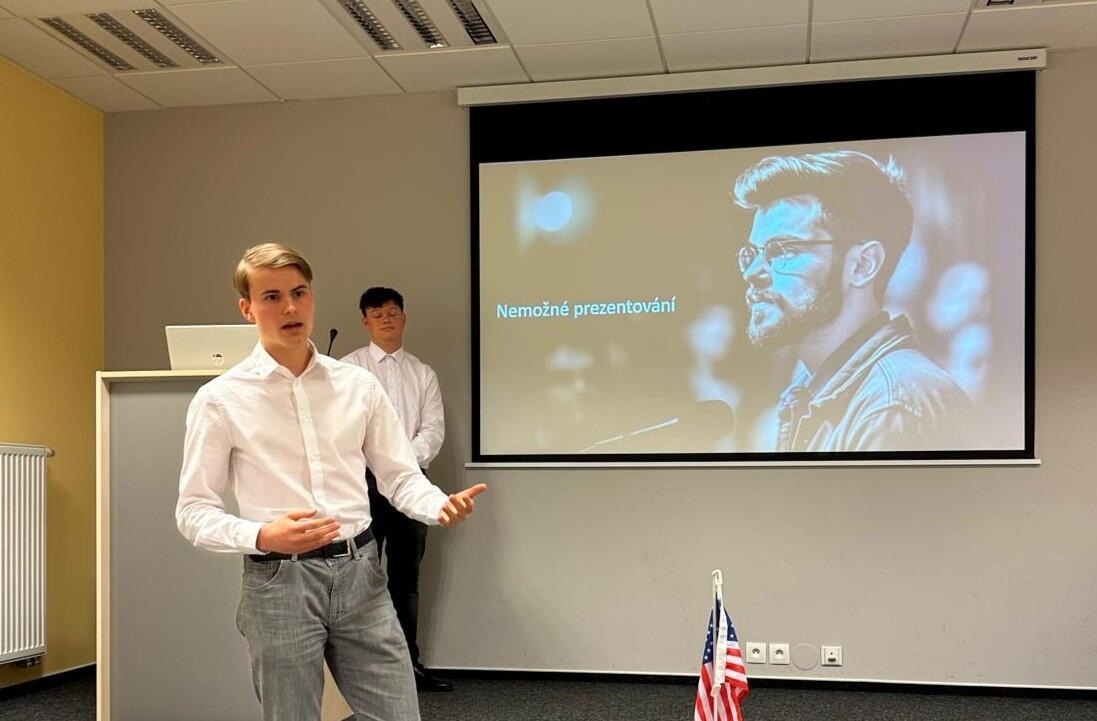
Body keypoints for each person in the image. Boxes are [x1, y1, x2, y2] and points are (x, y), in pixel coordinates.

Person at [176, 243, 486, 721]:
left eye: (299, 293)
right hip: (280, 581)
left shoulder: (357, 386)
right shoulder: (221, 399)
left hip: (361, 574)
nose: (290, 307)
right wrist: (261, 535)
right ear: (247, 309)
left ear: (313, 297)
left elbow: (400, 476)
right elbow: (193, 510)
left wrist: (437, 505)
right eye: (273, 297)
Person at [732, 151, 970, 452]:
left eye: (783, 250)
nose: (752, 273)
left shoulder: (893, 406)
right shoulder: (811, 392)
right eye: (751, 254)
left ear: (862, 265)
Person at [340, 287, 451, 692]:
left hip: (411, 484)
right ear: (365, 321)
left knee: (406, 580)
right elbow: (340, 429)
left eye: (392, 312)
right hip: (360, 485)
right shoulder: (347, 369)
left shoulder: (422, 373)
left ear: (404, 318)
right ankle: (361, 671)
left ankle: (408, 667)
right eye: (377, 313)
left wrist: (400, 461)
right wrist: (378, 461)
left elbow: (433, 431)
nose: (385, 319)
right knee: (359, 576)